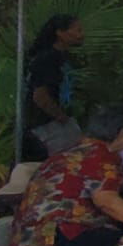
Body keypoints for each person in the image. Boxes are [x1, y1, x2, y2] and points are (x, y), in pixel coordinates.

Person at [10, 103, 123, 246]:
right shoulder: (101, 156)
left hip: (26, 240)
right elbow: (106, 201)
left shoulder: (70, 152)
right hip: (57, 240)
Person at [26, 14, 84, 157]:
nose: (81, 35)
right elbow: (40, 95)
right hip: (46, 125)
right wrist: (60, 117)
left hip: (58, 121)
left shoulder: (61, 57)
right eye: (77, 30)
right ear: (60, 33)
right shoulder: (47, 59)